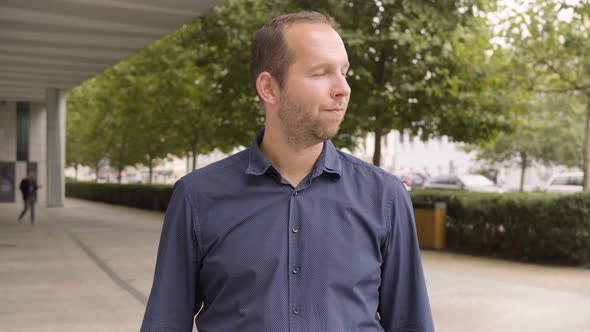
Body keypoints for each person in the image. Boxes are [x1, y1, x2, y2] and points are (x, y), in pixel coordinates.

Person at [141, 11, 434, 332]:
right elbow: (165, 322)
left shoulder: (385, 196)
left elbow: (411, 323)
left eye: (345, 72)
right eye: (321, 73)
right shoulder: (197, 197)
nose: (343, 89)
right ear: (269, 88)